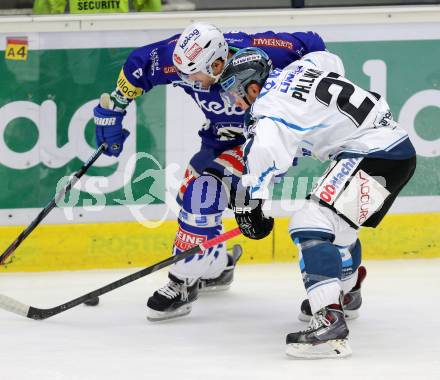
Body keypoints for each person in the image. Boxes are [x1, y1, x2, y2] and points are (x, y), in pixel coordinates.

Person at [92, 22, 327, 319]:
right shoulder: (177, 60)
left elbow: (313, 44)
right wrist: (113, 108)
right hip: (219, 138)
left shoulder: (265, 51)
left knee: (202, 194)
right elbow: (138, 64)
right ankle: (217, 267)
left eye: (194, 74)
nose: (187, 80)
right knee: (193, 206)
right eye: (182, 73)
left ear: (218, 62)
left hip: (265, 143)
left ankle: (181, 281)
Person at [219, 48, 416, 358]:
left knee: (309, 223)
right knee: (339, 231)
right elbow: (328, 58)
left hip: (371, 154)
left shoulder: (269, 108)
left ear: (253, 87)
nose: (236, 102)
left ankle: (330, 324)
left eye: (236, 93)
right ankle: (347, 294)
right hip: (397, 151)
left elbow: (261, 159)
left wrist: (251, 208)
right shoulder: (300, 68)